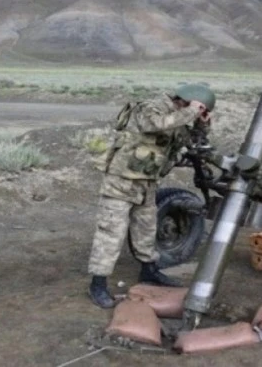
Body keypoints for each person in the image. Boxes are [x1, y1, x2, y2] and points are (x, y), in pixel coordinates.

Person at [87, 84, 215, 308]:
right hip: (121, 181)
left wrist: (201, 124)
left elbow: (191, 141)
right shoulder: (150, 108)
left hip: (146, 183)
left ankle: (148, 271)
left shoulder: (178, 118)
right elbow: (154, 125)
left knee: (146, 230)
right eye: (198, 108)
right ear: (187, 100)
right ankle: (98, 285)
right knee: (111, 233)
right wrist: (191, 112)